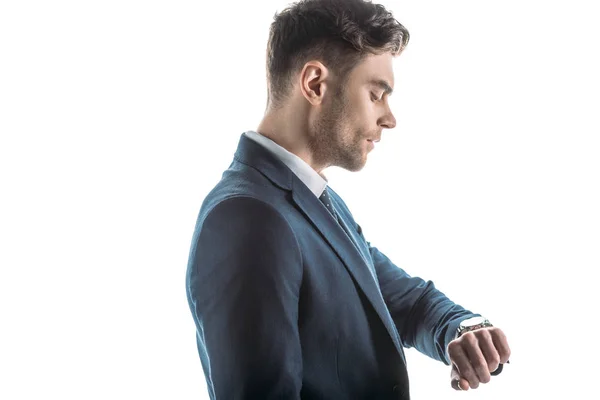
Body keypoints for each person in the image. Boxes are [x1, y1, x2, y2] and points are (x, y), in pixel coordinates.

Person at [185, 0, 511, 398]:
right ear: (315, 84)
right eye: (376, 94)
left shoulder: (313, 198)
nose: (390, 118)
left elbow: (405, 300)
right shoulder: (247, 219)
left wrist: (462, 328)